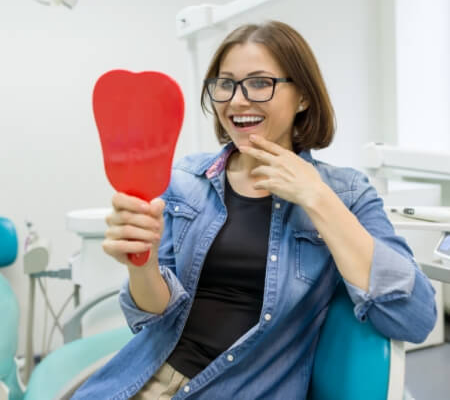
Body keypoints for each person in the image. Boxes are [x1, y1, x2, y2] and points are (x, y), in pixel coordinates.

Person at [72, 21, 437, 400]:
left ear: (303, 97)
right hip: (142, 380)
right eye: (225, 83)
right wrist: (140, 264)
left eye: (260, 83)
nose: (237, 100)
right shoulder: (183, 181)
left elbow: (414, 317)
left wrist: (317, 196)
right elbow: (153, 316)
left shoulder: (347, 193)